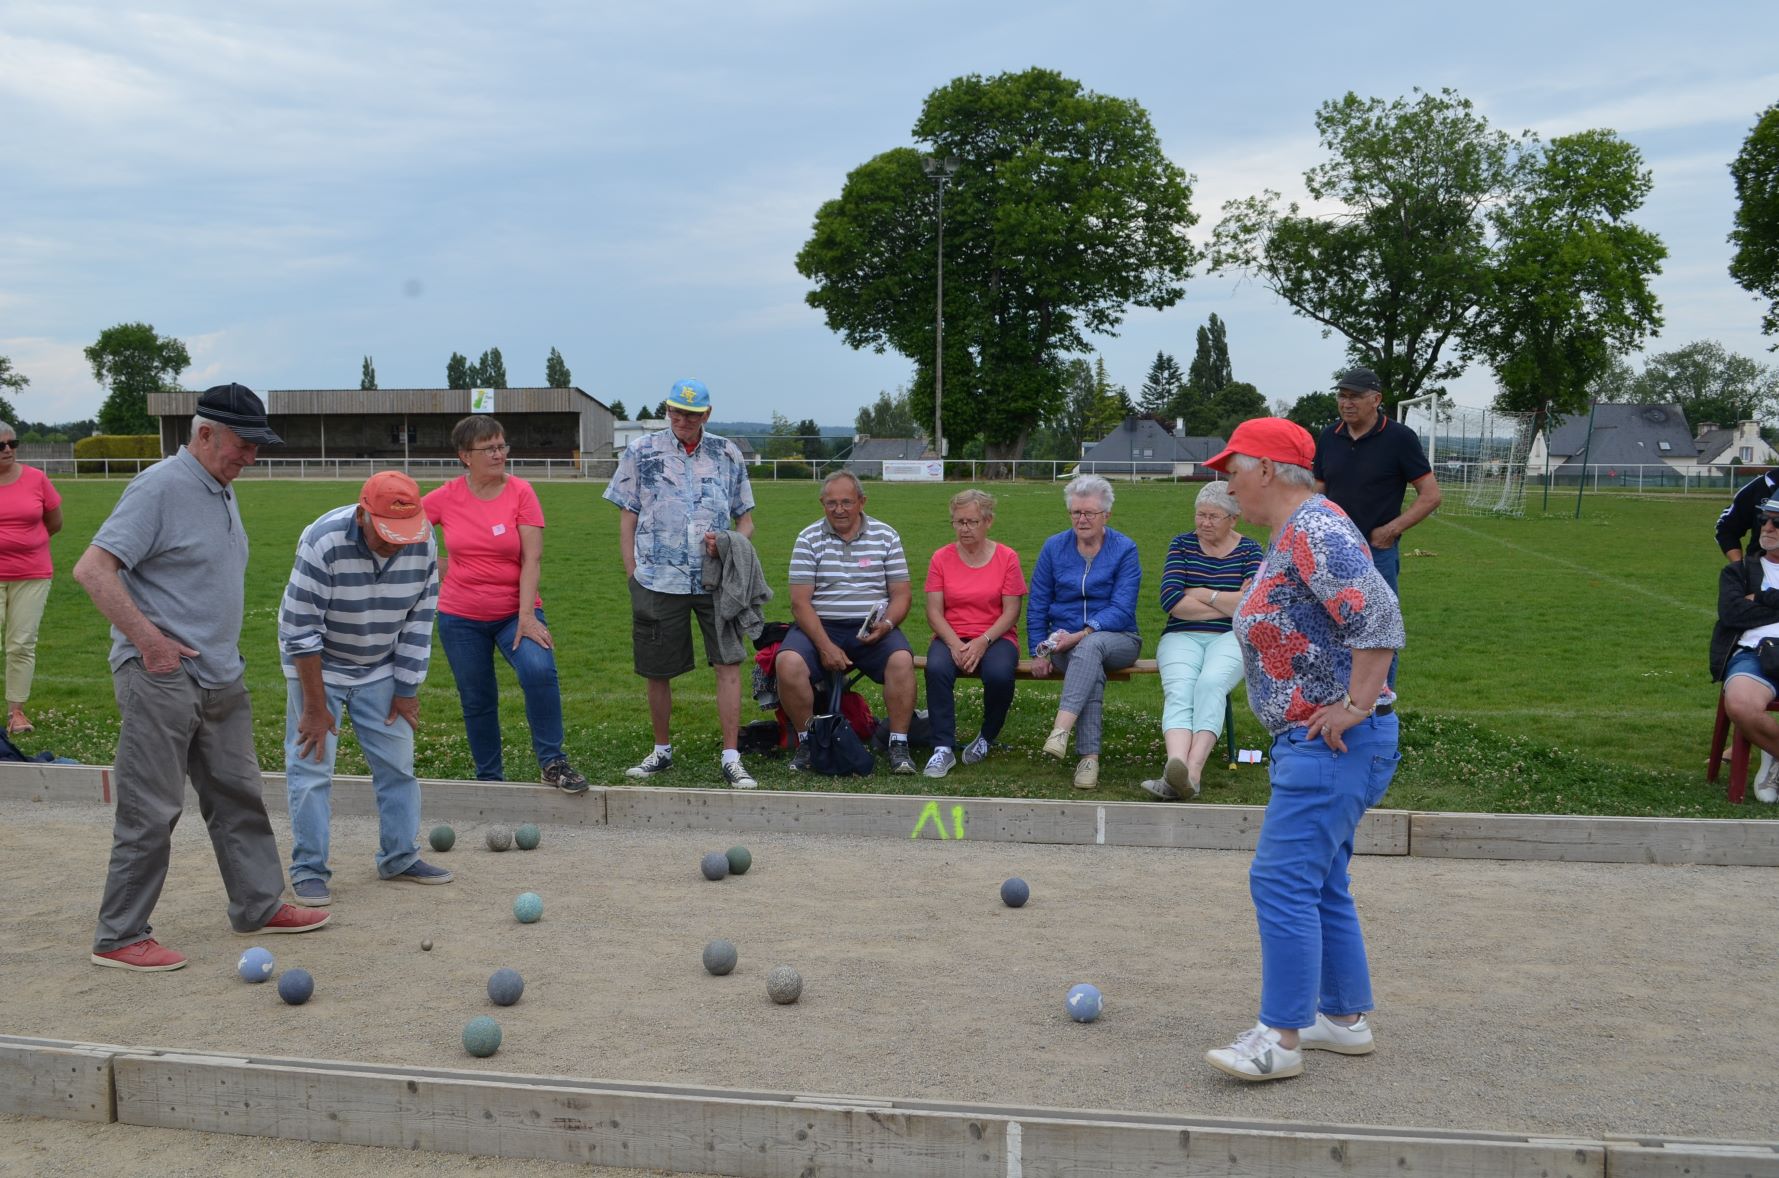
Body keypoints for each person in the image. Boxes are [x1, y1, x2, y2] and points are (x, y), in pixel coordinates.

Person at [74, 384, 329, 973]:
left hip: (219, 673)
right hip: (162, 675)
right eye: (243, 445)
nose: (252, 458)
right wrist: (150, 642)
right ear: (205, 434)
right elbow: (93, 569)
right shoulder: (162, 486)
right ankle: (119, 934)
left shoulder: (220, 486)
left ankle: (259, 904)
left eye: (258, 447)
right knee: (152, 807)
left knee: (238, 794)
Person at [1200, 417, 1404, 1082]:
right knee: (1318, 882)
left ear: (1264, 467)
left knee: (1280, 880)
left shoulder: (1314, 528)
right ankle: (1339, 1018)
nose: (1226, 486)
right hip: (1321, 744)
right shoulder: (1294, 534)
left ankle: (1278, 1038)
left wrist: (1355, 702)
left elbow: (1378, 617)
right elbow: (1290, 610)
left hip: (1332, 743)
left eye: (1231, 470)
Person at [280, 472, 449, 906]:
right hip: (319, 667)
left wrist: (407, 688)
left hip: (381, 666)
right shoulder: (323, 542)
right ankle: (309, 870)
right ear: (362, 515)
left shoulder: (422, 540)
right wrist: (315, 708)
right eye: (387, 534)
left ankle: (399, 858)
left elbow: (420, 618)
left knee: (399, 765)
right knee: (312, 769)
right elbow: (301, 632)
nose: (395, 545)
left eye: (403, 535)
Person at [604, 378, 762, 788]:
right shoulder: (641, 452)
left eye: (692, 413)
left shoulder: (728, 453)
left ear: (707, 414)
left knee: (728, 664)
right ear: (667, 410)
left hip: (716, 582)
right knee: (657, 671)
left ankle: (731, 756)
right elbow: (627, 513)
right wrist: (631, 571)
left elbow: (746, 519)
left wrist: (731, 542)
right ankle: (661, 750)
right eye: (676, 411)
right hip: (657, 580)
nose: (683, 420)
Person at [423, 415, 587, 793]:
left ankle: (553, 762)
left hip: (516, 612)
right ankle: (490, 781)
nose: (499, 454)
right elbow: (406, 528)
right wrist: (443, 566)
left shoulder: (521, 492)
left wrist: (527, 616)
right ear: (466, 456)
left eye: (502, 446)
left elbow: (532, 559)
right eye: (490, 448)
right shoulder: (446, 496)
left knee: (538, 669)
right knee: (477, 699)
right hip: (459, 617)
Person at [776, 471, 918, 774]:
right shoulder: (808, 538)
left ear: (862, 502)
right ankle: (808, 742)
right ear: (821, 504)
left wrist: (888, 625)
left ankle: (899, 743)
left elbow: (902, 594)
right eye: (831, 503)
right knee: (787, 662)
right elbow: (800, 603)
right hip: (820, 625)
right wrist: (825, 646)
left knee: (902, 661)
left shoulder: (886, 535)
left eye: (846, 502)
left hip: (872, 627)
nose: (839, 510)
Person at [1143, 480, 1263, 801]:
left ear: (1233, 519)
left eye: (1213, 517)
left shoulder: (1250, 550)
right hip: (1180, 635)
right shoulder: (1182, 545)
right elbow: (1171, 601)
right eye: (1200, 515)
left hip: (1232, 637)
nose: (1204, 523)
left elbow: (1252, 605)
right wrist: (1228, 604)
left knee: (1210, 683)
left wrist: (1204, 593)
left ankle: (1191, 774)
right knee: (1180, 689)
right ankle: (1175, 766)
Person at [1027, 474, 1142, 790]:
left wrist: (1083, 633)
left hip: (1119, 638)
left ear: (1106, 514)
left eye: (1089, 513)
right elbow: (1038, 600)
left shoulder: (1124, 549)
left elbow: (1122, 608)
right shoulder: (1054, 547)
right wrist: (1038, 650)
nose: (1082, 519)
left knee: (1089, 647)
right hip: (1064, 643)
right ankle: (1088, 760)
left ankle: (1060, 729)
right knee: (1087, 662)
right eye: (1076, 512)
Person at [920, 489, 1026, 778]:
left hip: (996, 636)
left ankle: (986, 737)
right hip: (951, 634)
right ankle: (942, 747)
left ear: (988, 521)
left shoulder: (1007, 557)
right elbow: (933, 611)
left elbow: (1011, 611)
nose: (965, 528)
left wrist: (983, 641)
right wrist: (954, 644)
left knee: (999, 674)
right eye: (959, 522)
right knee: (937, 668)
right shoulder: (940, 558)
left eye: (972, 522)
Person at [1313, 368, 1442, 599]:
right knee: (1332, 621)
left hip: (1377, 550)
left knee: (1379, 624)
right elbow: (1318, 492)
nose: (1347, 403)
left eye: (1355, 396)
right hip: (1332, 548)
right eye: (1342, 396)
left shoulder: (1400, 438)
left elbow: (1430, 495)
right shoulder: (1328, 436)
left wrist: (1390, 531)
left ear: (1376, 399)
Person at [1710, 495, 1779, 805]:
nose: (1767, 527)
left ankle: (1772, 755)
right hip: (1755, 653)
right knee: (1740, 704)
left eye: (1777, 521)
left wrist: (1760, 600)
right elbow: (1733, 614)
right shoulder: (1738, 572)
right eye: (1764, 519)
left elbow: (1747, 608)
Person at [0, 420, 63, 735]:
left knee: (22, 644)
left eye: (13, 444)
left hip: (32, 574)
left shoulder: (37, 479)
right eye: (1, 446)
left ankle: (17, 712)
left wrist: (26, 547)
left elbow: (54, 522)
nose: (8, 450)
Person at [1716, 469, 1778, 562]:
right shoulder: (1761, 486)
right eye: (1763, 519)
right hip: (1760, 570)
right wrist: (1739, 566)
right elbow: (1726, 528)